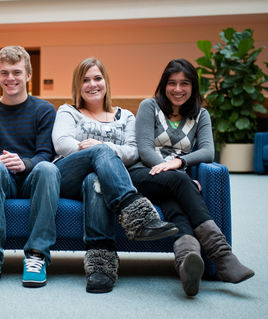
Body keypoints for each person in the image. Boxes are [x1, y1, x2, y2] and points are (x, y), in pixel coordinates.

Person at [128, 58, 255, 297]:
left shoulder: (201, 115)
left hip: (174, 183)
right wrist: (178, 173)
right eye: (172, 83)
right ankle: (223, 257)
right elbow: (145, 151)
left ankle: (187, 265)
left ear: (193, 86)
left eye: (184, 83)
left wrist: (180, 162)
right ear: (164, 85)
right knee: (180, 183)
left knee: (176, 206)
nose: (178, 89)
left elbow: (207, 151)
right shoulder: (149, 106)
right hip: (143, 174)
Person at [52, 57, 178, 293]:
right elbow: (61, 143)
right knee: (100, 151)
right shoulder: (68, 111)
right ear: (78, 86)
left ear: (106, 82)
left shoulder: (127, 116)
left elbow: (134, 151)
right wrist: (94, 149)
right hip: (67, 176)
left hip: (101, 184)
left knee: (95, 179)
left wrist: (101, 147)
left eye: (97, 78)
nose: (92, 84)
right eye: (85, 80)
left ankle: (101, 267)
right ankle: (136, 213)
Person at [0, 45, 60, 288]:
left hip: (33, 179)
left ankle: (37, 255)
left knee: (49, 169)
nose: (11, 79)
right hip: (1, 180)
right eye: (5, 73)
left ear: (28, 75)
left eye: (17, 72)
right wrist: (1, 160)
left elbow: (45, 156)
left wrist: (24, 163)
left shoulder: (45, 110)